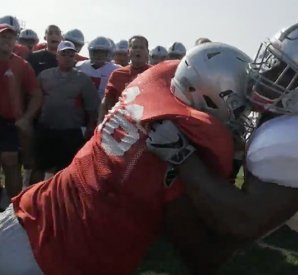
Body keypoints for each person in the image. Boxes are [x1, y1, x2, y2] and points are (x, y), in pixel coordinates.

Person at [149, 21, 298, 275]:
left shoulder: (293, 140)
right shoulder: (295, 110)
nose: (263, 73)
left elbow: (241, 223)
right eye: (269, 60)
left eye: (282, 69)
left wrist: (183, 157)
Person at [0, 42, 251, 274]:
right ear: (207, 96)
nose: (242, 115)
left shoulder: (151, 94)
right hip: (51, 259)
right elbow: (202, 256)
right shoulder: (173, 153)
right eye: (239, 106)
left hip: (28, 215)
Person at [34, 41, 99, 180]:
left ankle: (61, 200)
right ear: (57, 56)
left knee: (65, 172)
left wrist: (90, 127)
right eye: (64, 54)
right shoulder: (44, 76)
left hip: (70, 131)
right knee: (39, 167)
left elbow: (92, 107)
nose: (67, 57)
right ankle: (33, 198)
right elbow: (34, 99)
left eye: (71, 54)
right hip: (46, 128)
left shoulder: (83, 79)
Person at [0, 21, 42, 203]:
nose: (7, 41)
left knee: (11, 162)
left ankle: (12, 206)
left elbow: (36, 94)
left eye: (11, 37)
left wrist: (27, 117)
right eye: (3, 37)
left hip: (10, 121)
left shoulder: (22, 65)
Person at [99, 35, 151, 122]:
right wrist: (100, 123)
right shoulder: (117, 74)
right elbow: (107, 101)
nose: (138, 50)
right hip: (122, 123)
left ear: (147, 52)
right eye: (134, 47)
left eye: (142, 47)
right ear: (128, 52)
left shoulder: (155, 73)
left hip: (147, 122)